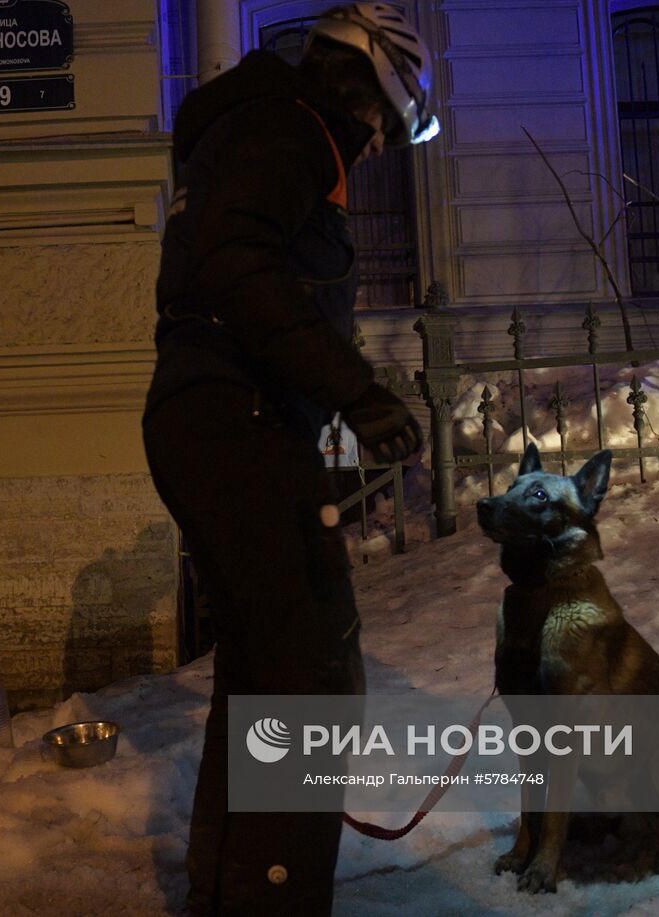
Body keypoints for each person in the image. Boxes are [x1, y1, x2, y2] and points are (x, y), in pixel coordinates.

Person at [141, 5, 439, 913]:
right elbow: (243, 267)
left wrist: (334, 400)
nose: (382, 146)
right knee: (309, 674)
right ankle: (272, 899)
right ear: (371, 82)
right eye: (390, 126)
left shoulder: (251, 126)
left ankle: (232, 890)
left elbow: (245, 269)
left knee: (266, 670)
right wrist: (358, 390)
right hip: (240, 416)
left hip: (218, 414)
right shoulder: (291, 128)